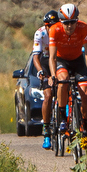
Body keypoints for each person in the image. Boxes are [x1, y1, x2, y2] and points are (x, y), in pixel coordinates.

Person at [48, 3, 87, 138]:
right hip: (61, 61)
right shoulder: (54, 30)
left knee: (85, 92)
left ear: (77, 20)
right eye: (66, 23)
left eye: (72, 22)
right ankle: (62, 118)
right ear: (60, 21)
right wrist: (52, 75)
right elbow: (52, 57)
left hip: (78, 61)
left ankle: (85, 126)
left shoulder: (83, 27)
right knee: (63, 80)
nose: (69, 26)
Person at [33, 10, 58, 149]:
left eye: (54, 25)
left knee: (64, 88)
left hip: (58, 60)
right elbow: (35, 56)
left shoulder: (61, 31)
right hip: (45, 61)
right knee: (48, 96)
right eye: (49, 26)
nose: (52, 28)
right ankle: (46, 130)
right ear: (45, 26)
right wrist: (41, 71)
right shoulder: (40, 33)